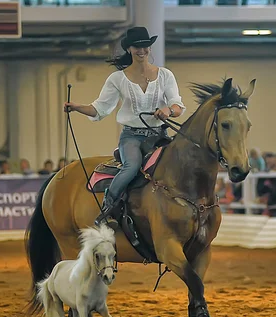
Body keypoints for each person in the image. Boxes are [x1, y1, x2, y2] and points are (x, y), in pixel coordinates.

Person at [63, 26, 186, 229]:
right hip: (132, 137)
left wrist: (168, 111)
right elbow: (99, 109)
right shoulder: (117, 79)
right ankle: (108, 207)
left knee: (182, 166)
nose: (142, 50)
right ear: (129, 49)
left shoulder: (165, 75)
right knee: (131, 167)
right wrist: (77, 107)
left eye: (145, 46)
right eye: (137, 47)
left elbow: (178, 106)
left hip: (160, 136)